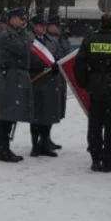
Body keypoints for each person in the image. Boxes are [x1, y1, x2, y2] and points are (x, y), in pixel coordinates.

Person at [75, 13, 111, 173]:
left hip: (95, 84)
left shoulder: (89, 40)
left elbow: (79, 64)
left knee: (95, 124)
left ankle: (95, 159)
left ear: (100, 23)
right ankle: (107, 160)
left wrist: (86, 83)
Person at [0, 9, 33, 162]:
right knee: (6, 114)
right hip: (10, 75)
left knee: (11, 114)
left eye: (24, 19)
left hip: (17, 76)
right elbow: (24, 48)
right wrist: (25, 35)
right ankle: (3, 150)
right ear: (12, 19)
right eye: (20, 19)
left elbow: (27, 45)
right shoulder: (6, 34)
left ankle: (4, 149)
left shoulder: (16, 34)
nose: (23, 22)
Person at [28, 15, 62, 158]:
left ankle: (44, 144)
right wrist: (43, 66)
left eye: (45, 25)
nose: (43, 28)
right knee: (36, 116)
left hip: (50, 81)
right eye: (41, 25)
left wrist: (56, 65)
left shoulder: (51, 41)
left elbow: (57, 57)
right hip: (36, 80)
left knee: (48, 115)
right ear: (35, 26)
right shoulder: (30, 41)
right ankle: (35, 146)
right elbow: (28, 60)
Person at [44, 16, 71, 151]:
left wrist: (64, 39)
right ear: (49, 26)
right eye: (57, 26)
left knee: (55, 110)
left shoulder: (59, 39)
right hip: (50, 77)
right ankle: (43, 139)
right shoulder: (47, 40)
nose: (59, 29)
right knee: (48, 110)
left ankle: (47, 138)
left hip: (59, 78)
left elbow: (66, 52)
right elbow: (55, 56)